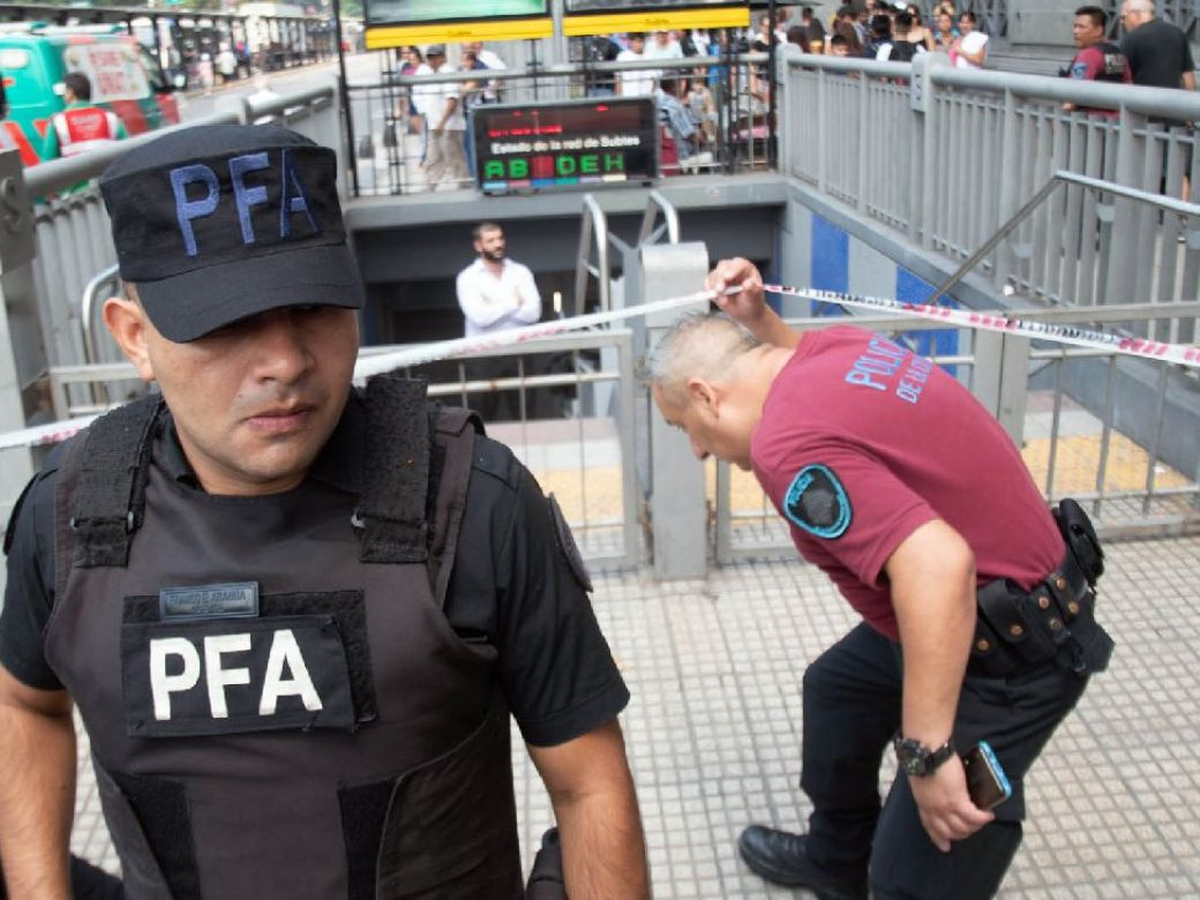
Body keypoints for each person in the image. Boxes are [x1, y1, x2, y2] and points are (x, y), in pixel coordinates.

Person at [0, 124, 649, 899]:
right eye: (227, 322)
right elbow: (25, 703)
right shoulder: (70, 517)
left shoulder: (474, 502)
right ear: (135, 337)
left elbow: (588, 785)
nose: (287, 363)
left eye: (314, 306)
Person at [646, 257, 1113, 900]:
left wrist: (927, 751)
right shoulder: (831, 349)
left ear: (705, 394)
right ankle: (835, 862)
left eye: (683, 428)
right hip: (985, 610)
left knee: (914, 873)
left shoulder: (785, 448)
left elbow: (939, 564)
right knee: (836, 692)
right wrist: (756, 318)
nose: (696, 449)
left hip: (1012, 652)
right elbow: (797, 361)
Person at [455, 221, 542, 423]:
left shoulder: (521, 272)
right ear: (478, 246)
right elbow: (480, 318)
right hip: (482, 357)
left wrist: (493, 305)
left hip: (518, 352)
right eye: (491, 240)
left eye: (500, 238)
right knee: (482, 419)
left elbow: (533, 313)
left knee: (526, 416)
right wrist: (514, 302)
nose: (498, 244)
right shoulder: (467, 278)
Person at [414, 45, 469, 189]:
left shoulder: (448, 73)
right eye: (430, 58)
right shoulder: (434, 74)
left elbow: (452, 101)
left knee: (454, 156)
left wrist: (442, 122)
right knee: (433, 157)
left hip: (449, 125)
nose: (432, 60)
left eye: (435, 57)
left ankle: (464, 183)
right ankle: (430, 185)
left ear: (443, 57)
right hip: (435, 124)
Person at [40, 72, 126, 161]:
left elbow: (47, 162)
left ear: (70, 92)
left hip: (75, 174)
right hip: (110, 173)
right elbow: (127, 153)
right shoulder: (112, 118)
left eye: (64, 92)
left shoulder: (57, 122)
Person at [1062, 6, 1130, 116]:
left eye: (1082, 27)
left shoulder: (1089, 55)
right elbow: (1126, 85)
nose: (1075, 31)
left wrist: (1057, 123)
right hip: (1114, 124)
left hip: (1089, 125)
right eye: (1075, 26)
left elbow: (1075, 93)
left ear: (1098, 30)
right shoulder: (1115, 53)